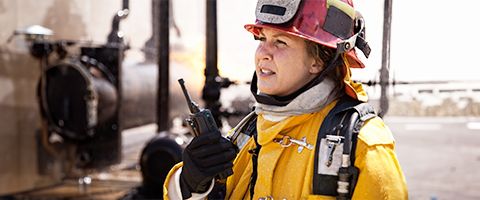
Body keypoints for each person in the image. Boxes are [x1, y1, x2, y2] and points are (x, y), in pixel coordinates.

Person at [164, 0, 408, 199]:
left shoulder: (364, 146)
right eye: (262, 39)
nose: (263, 53)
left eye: (280, 42)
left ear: (319, 60)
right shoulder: (247, 134)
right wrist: (189, 185)